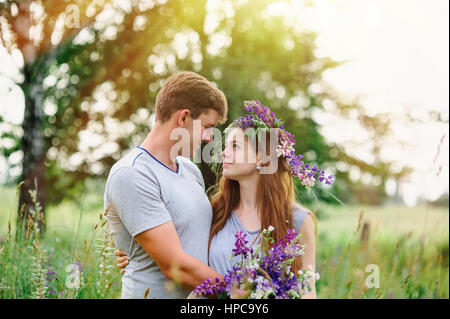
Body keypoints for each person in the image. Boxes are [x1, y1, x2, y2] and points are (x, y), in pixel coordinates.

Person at [115, 100, 332, 299]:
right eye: (226, 145)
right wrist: (135, 254)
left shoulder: (297, 220)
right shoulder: (216, 212)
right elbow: (179, 246)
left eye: (235, 146)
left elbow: (306, 291)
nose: (223, 153)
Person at [104, 71, 228, 298]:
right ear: (183, 118)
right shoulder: (132, 173)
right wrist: (242, 291)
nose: (210, 137)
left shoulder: (190, 170)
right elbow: (176, 266)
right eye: (208, 127)